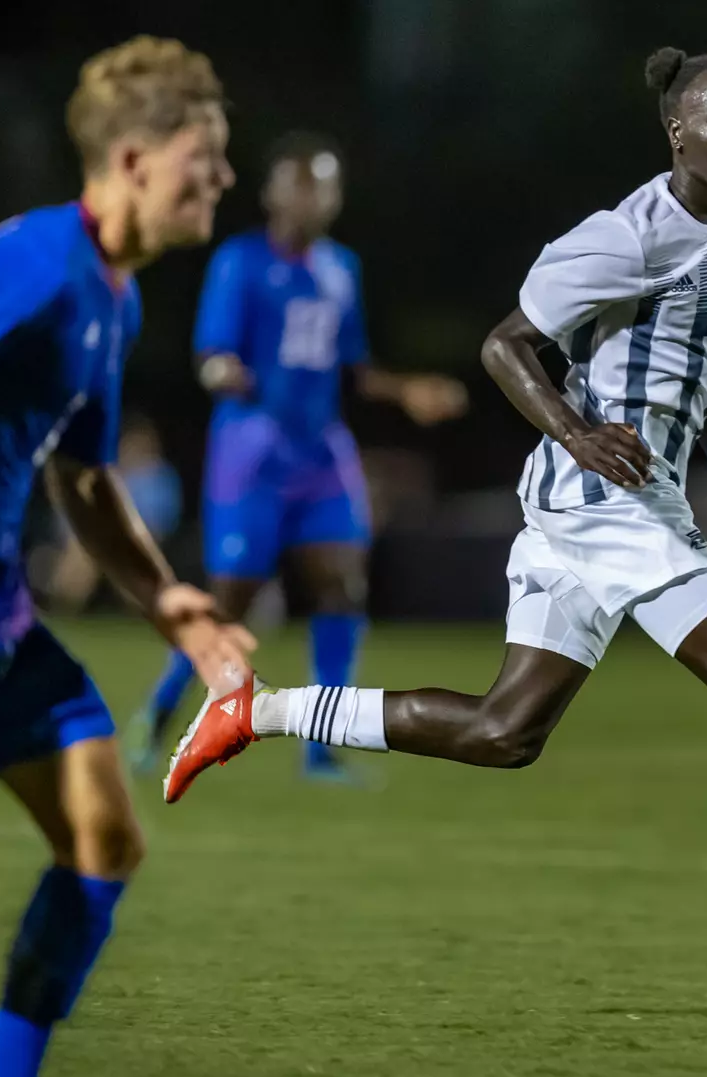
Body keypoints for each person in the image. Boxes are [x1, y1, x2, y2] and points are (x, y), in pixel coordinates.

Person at [165, 45, 707, 1014]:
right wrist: (577, 430)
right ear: (677, 129)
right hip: (605, 501)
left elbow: (702, 363)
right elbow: (504, 344)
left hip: (608, 502)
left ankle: (258, 711)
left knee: (503, 730)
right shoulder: (626, 236)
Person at [0, 37, 255, 1077]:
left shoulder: (114, 295)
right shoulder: (33, 270)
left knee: (104, 835)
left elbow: (88, 480)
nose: (223, 180)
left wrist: (172, 609)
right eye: (209, 156)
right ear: (138, 159)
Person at [126, 132, 466, 779]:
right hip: (253, 449)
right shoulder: (241, 262)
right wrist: (222, 371)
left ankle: (320, 746)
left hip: (320, 450)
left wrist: (407, 390)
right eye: (302, 182)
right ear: (273, 192)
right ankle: (159, 714)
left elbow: (353, 367)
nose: (314, 196)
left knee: (343, 583)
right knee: (232, 601)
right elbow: (212, 353)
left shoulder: (342, 268)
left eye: (326, 183)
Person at [42, 413, 183, 612]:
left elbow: (161, 521)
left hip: (141, 542)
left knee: (124, 557)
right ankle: (63, 610)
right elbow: (73, 513)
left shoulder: (160, 476)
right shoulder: (107, 473)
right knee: (81, 553)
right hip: (93, 541)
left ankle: (149, 610)